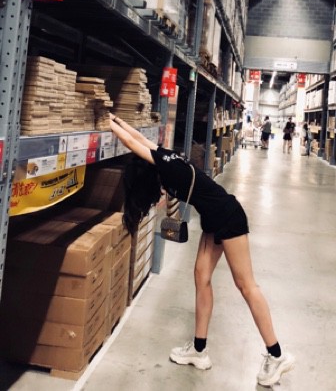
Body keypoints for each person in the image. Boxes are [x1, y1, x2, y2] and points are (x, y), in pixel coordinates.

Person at [109, 112, 295, 387]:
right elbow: (138, 139)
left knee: (246, 285)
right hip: (214, 217)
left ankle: (277, 354)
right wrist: (117, 120)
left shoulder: (166, 168)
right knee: (201, 276)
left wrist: (106, 123)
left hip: (228, 215)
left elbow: (131, 143)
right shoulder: (165, 157)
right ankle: (199, 350)